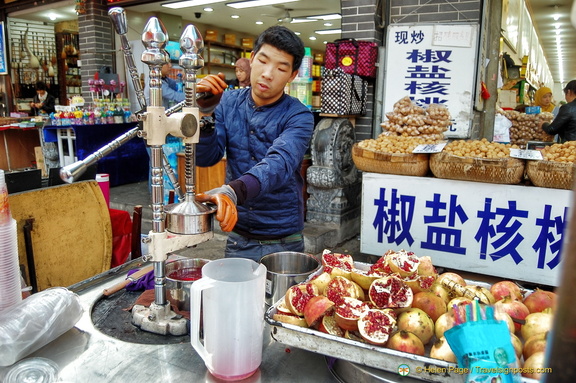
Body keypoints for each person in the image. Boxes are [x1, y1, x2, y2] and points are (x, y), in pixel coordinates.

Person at [194, 26, 314, 262]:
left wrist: (233, 191)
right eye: (263, 60)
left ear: (292, 75)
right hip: (239, 236)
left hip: (283, 239)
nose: (268, 74)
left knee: (283, 299)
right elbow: (206, 158)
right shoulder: (228, 102)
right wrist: (205, 115)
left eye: (281, 68)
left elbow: (279, 163)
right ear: (252, 59)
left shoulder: (299, 116)